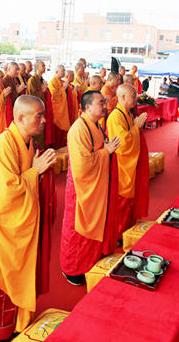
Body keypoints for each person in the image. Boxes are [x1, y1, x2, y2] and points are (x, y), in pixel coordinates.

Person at [0, 95, 57, 342]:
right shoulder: (1, 147)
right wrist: (36, 172)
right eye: (39, 116)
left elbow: (29, 176)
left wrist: (37, 172)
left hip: (23, 223)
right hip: (4, 227)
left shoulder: (28, 142)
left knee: (24, 268)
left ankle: (20, 321)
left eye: (44, 114)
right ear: (21, 118)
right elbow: (8, 194)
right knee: (1, 279)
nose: (44, 120)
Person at [60, 91, 122, 285]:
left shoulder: (95, 125)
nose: (105, 106)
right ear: (87, 107)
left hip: (96, 185)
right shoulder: (78, 129)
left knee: (95, 226)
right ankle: (72, 269)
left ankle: (90, 263)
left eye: (105, 102)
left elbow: (97, 149)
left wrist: (106, 147)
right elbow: (83, 164)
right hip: (82, 189)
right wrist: (106, 152)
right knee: (77, 230)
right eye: (101, 103)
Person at [106, 84, 150, 239]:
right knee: (122, 201)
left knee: (128, 200)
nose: (136, 98)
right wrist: (136, 128)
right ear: (123, 97)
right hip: (121, 165)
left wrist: (135, 127)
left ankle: (125, 230)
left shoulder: (126, 113)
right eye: (133, 95)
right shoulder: (115, 116)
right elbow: (122, 143)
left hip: (127, 163)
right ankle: (119, 234)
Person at [26, 60, 51, 149]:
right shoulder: (32, 80)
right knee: (36, 132)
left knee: (42, 132)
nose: (44, 67)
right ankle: (36, 151)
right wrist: (42, 91)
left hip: (42, 109)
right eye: (43, 65)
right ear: (37, 67)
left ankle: (41, 150)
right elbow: (31, 96)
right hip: (35, 111)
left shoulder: (42, 80)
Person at [48, 65, 71, 149]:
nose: (64, 73)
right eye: (62, 71)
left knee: (62, 134)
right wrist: (63, 88)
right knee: (57, 133)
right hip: (57, 111)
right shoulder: (52, 83)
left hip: (62, 110)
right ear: (56, 72)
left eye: (65, 71)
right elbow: (54, 96)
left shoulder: (61, 82)